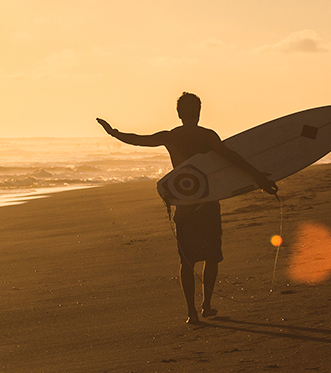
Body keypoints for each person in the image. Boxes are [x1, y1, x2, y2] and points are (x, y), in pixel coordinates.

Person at [97, 92, 277, 324]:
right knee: (212, 257)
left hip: (185, 204)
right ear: (199, 112)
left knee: (187, 260)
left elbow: (139, 139)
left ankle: (191, 313)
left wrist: (114, 133)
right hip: (208, 203)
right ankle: (207, 305)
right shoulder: (208, 136)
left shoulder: (171, 137)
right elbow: (231, 159)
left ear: (179, 113)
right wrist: (259, 178)